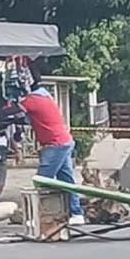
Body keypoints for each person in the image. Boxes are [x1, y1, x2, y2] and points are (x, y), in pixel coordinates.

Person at [18, 82, 85, 224]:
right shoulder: (46, 97)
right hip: (64, 141)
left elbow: (14, 112)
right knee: (66, 181)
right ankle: (76, 213)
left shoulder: (32, 100)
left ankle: (38, 217)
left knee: (42, 181)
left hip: (54, 145)